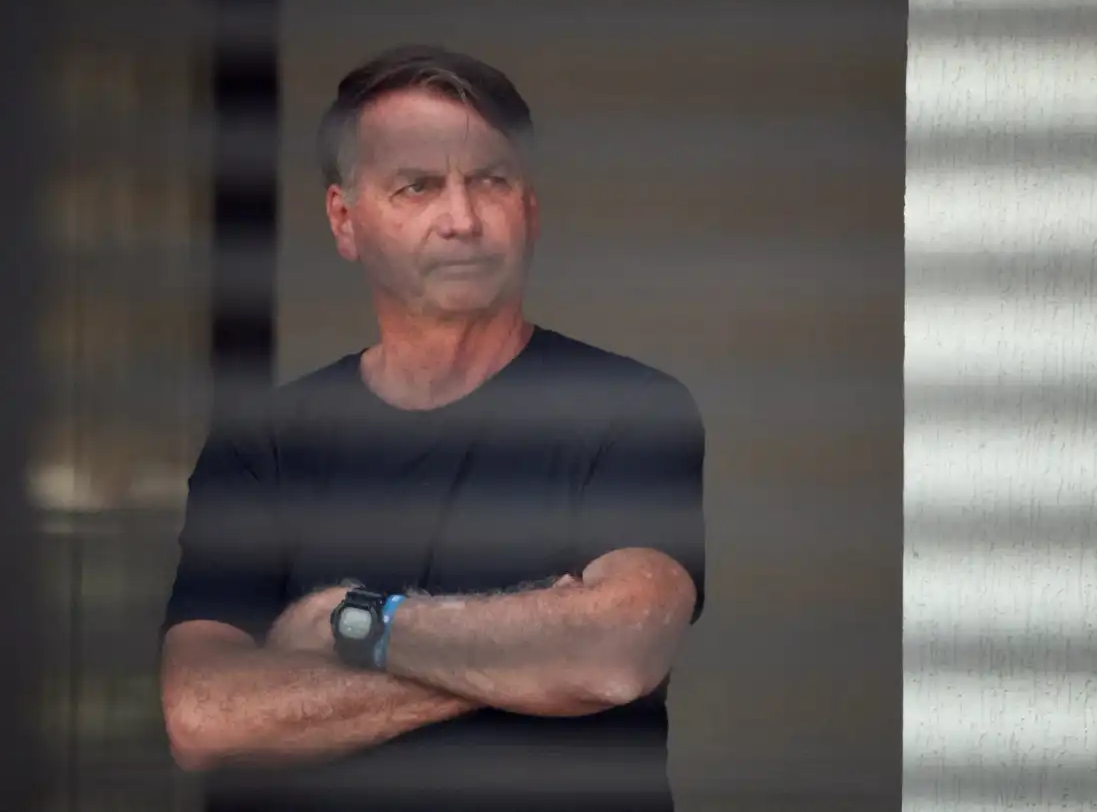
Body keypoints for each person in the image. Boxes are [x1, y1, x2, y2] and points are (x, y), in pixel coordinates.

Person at [158, 44, 707, 812]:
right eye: (417, 185)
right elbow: (204, 715)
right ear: (345, 221)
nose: (462, 220)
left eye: (491, 180)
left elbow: (615, 652)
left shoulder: (628, 409)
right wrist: (534, 651)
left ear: (530, 208)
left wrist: (355, 624)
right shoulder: (263, 444)